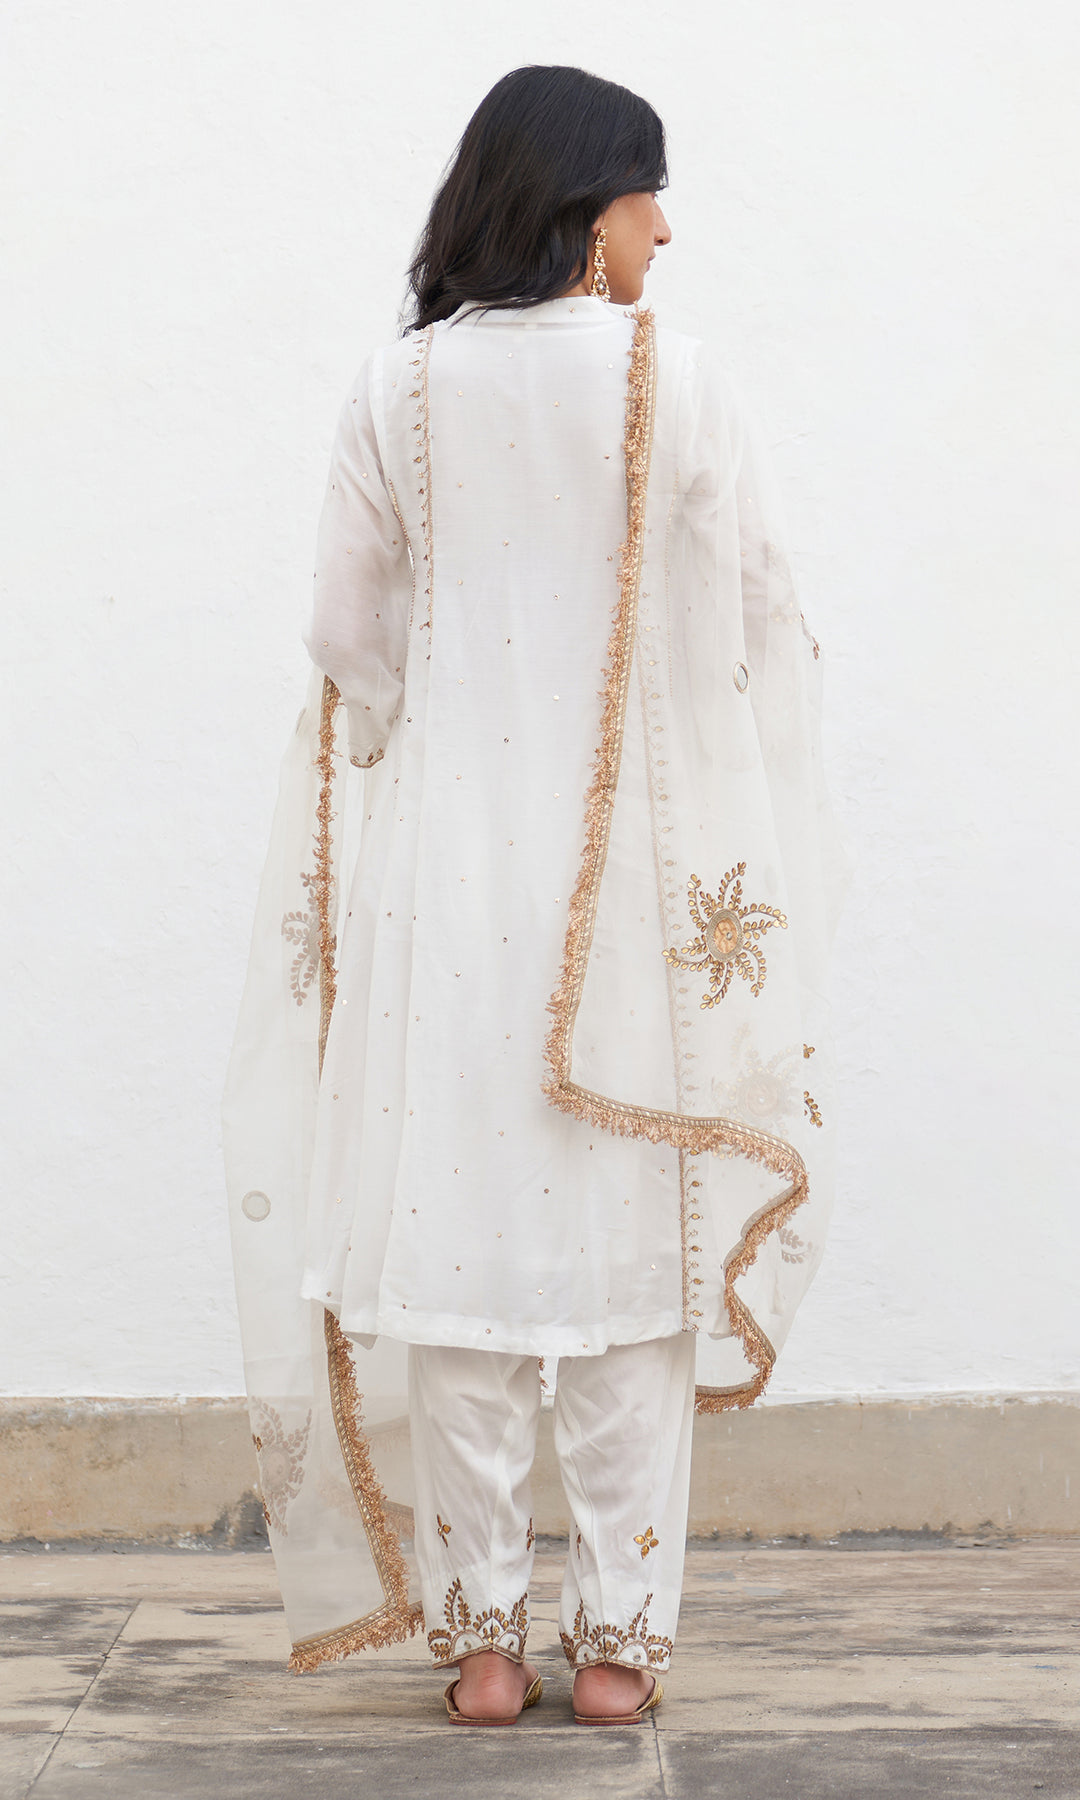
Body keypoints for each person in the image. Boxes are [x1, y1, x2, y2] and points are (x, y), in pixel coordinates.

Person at [223, 63, 846, 1728]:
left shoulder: (397, 386)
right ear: (583, 208)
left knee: (464, 1255)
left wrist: (443, 730)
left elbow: (346, 638)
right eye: (649, 195)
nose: (665, 230)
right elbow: (757, 619)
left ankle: (486, 1642)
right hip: (633, 903)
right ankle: (620, 1648)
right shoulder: (677, 379)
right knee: (636, 1271)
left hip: (448, 894)